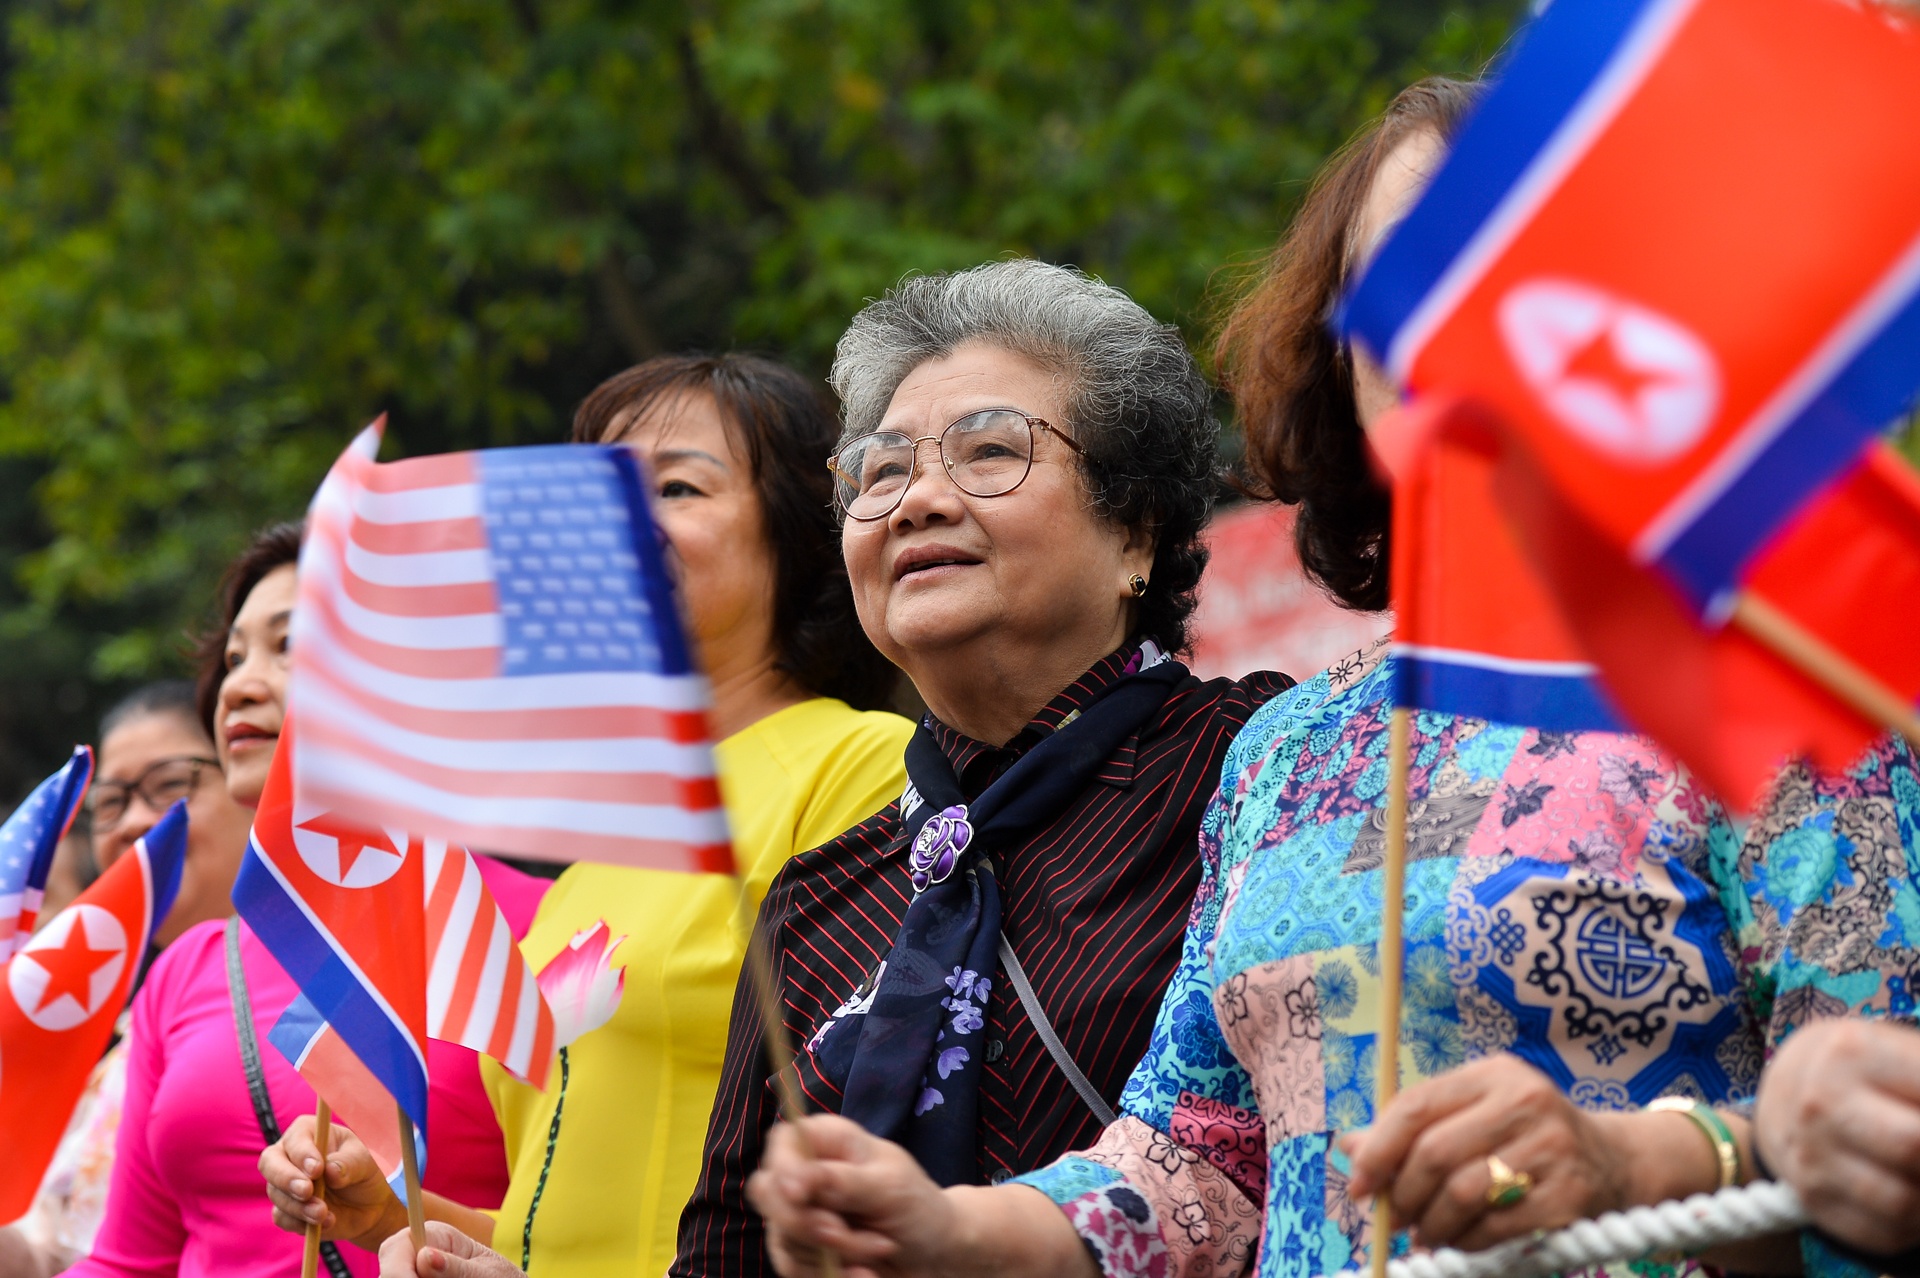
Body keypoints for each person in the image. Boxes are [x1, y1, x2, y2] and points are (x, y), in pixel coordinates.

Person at [743, 78, 1920, 1278]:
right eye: (1400, 279)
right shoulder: (1291, 750)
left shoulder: (1787, 697)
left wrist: (1641, 1162)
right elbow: (1197, 1166)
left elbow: (1883, 1140)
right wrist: (950, 1230)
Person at [263, 353, 916, 1278]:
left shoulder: (861, 767)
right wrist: (390, 1210)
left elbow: (860, 1139)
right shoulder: (586, 866)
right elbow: (558, 1224)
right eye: (597, 496)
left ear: (799, 536)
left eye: (678, 487)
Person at [62, 524, 545, 1278]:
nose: (240, 687)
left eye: (289, 646)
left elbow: (594, 1239)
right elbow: (129, 1262)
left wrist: (393, 1221)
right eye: (233, 659)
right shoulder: (188, 968)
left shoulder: (541, 927)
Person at [0, 680, 257, 1278]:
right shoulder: (116, 1045)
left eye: (171, 786)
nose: (137, 822)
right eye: (112, 802)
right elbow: (71, 1255)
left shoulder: (327, 991)